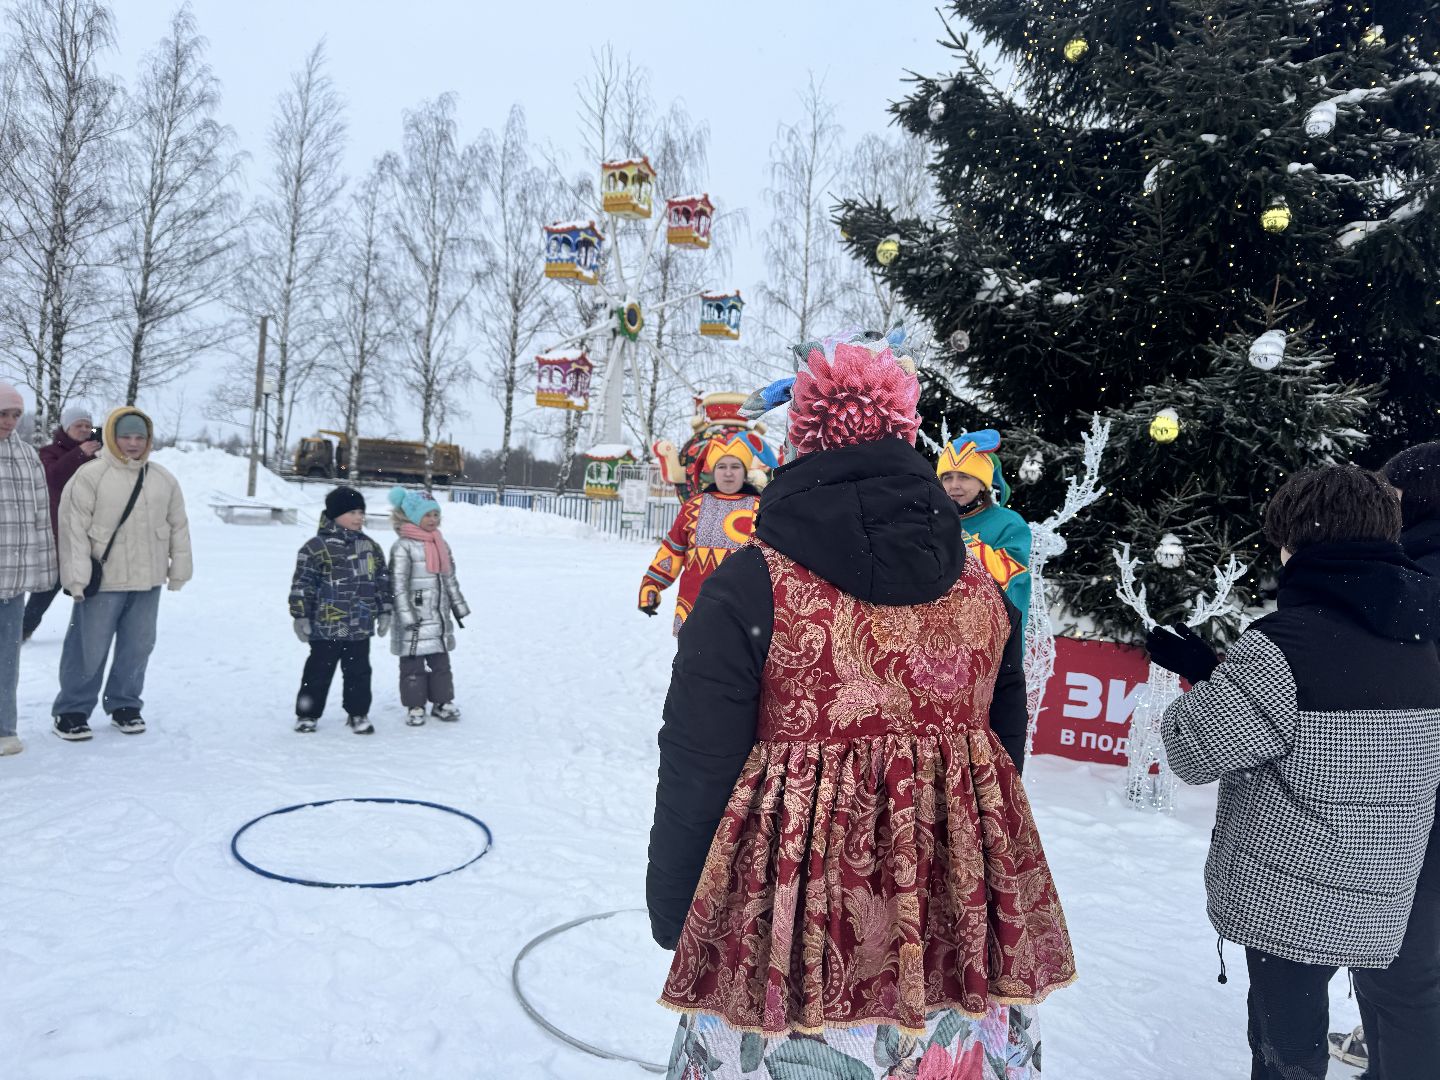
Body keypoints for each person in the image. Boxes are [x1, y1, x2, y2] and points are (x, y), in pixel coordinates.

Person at [647, 332, 1075, 1079]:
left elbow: (697, 765)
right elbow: (1004, 746)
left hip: (789, 921)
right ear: (909, 440)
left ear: (801, 444)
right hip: (952, 912)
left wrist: (680, 904)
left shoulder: (751, 587)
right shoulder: (981, 583)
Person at [1151, 465, 1440, 1080]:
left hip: (1291, 897)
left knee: (1287, 1056)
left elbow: (1192, 751)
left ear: (1298, 543)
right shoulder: (1419, 640)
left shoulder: (1284, 642)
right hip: (1384, 890)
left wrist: (1201, 689)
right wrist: (1220, 675)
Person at [1325, 443, 1440, 1080]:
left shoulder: (1417, 579)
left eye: (1391, 493)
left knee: (1399, 963)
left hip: (1422, 796)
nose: (1383, 506)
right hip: (1416, 789)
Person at [52, 406, 192, 741]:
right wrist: (76, 577)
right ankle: (72, 710)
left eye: (139, 437)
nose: (132, 443)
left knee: (138, 645)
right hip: (104, 580)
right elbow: (73, 530)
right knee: (88, 647)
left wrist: (180, 569)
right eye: (125, 436)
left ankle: (125, 704)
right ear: (112, 438)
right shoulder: (90, 475)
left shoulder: (162, 478)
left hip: (148, 579)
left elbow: (178, 526)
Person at [637, 431, 771, 635]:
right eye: (722, 467)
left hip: (745, 612)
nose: (728, 473)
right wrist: (651, 585)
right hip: (694, 608)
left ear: (745, 472)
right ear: (713, 471)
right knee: (692, 666)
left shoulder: (761, 509)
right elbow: (673, 550)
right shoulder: (693, 507)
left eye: (735, 467)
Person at [289, 486, 392, 735]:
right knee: (318, 672)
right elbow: (303, 584)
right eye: (352, 512)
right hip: (326, 626)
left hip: (360, 625)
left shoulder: (370, 547)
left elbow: (381, 581)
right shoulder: (315, 548)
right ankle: (307, 714)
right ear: (335, 514)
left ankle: (358, 713)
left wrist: (385, 609)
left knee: (359, 673)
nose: (359, 517)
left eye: (361, 512)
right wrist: (300, 615)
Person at [0, 382, 58, 756]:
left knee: (7, 658)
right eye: (3, 414)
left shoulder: (27, 455)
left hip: (13, 578)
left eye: (15, 415)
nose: (9, 421)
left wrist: (45, 568)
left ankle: (5, 727)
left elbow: (41, 515)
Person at [388, 486, 468, 726]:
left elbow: (449, 578)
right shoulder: (403, 546)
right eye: (427, 515)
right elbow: (398, 585)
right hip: (414, 618)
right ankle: (415, 705)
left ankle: (442, 702)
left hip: (438, 615)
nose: (433, 520)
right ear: (412, 516)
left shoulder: (440, 543)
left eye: (436, 514)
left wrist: (458, 605)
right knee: (413, 665)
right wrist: (406, 616)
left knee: (441, 663)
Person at [936, 428, 1034, 624]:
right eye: (947, 477)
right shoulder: (930, 519)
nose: (954, 485)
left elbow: (1005, 580)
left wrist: (955, 535)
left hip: (986, 637)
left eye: (964, 476)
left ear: (982, 483)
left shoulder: (1009, 523)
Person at [23, 404, 101, 640]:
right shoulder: (50, 451)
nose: (85, 430)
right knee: (51, 585)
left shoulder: (96, 455)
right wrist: (80, 454)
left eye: (88, 425)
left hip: (90, 529)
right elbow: (53, 477)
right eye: (79, 425)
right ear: (67, 428)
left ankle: (90, 631)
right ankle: (22, 630)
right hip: (59, 528)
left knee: (93, 580)